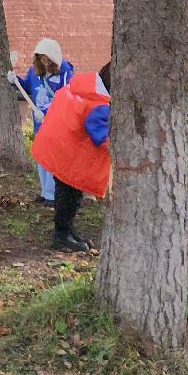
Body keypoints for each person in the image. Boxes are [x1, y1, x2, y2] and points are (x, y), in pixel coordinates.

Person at [29, 61, 111, 251]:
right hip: (68, 155)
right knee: (69, 197)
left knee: (65, 193)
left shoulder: (80, 87)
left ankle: (67, 230)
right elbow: (100, 136)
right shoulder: (98, 103)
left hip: (57, 146)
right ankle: (61, 235)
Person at [9, 39, 74, 206]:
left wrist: (44, 111)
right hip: (40, 125)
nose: (44, 62)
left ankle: (53, 195)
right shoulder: (34, 72)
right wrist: (15, 81)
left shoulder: (65, 74)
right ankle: (45, 192)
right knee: (41, 158)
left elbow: (65, 98)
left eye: (47, 59)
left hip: (56, 124)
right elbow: (27, 87)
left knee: (52, 159)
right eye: (41, 59)